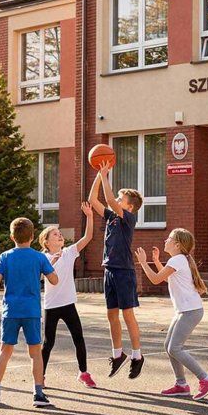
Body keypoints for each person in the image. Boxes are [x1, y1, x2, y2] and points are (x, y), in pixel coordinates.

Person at [0, 217, 60, 407]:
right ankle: (38, 394)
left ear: (12, 237)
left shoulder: (5, 257)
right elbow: (54, 280)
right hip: (31, 311)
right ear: (32, 237)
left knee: (5, 350)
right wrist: (48, 268)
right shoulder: (39, 257)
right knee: (35, 353)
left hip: (10, 311)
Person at [135, 229, 208, 400]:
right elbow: (167, 278)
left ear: (177, 245)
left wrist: (143, 262)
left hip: (190, 311)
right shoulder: (180, 260)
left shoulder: (177, 260)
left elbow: (156, 279)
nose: (165, 240)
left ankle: (206, 379)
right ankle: (181, 385)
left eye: (169, 238)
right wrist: (156, 262)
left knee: (175, 348)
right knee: (169, 346)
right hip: (185, 310)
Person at [89, 162, 145, 379]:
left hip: (124, 271)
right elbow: (93, 200)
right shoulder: (112, 217)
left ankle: (137, 356)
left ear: (129, 207)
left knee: (127, 314)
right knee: (111, 314)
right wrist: (98, 174)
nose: (117, 201)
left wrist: (105, 176)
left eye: (122, 200)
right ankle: (117, 354)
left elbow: (110, 200)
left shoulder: (128, 218)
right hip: (110, 270)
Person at [38, 202, 97, 388]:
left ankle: (83, 373)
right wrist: (52, 262)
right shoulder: (43, 257)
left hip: (68, 304)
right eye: (55, 234)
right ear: (46, 242)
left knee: (79, 338)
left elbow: (88, 237)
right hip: (51, 306)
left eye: (59, 233)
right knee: (48, 343)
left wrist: (90, 216)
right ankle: (40, 376)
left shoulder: (69, 252)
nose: (59, 235)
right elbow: (40, 276)